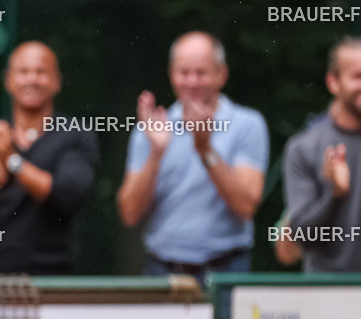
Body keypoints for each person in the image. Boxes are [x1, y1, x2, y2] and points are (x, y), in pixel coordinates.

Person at [117, 31, 268, 284]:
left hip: (227, 271)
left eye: (201, 72)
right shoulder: (151, 129)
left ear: (221, 74)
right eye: (184, 72)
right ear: (171, 74)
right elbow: (129, 213)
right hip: (162, 270)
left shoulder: (247, 124)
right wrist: (156, 153)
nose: (192, 81)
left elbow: (246, 205)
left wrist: (204, 148)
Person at [0, 41, 98, 274]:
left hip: (52, 278)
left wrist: (12, 161)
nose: (32, 79)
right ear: (8, 80)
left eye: (41, 72)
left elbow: (67, 195)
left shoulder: (75, 135)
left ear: (56, 81)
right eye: (24, 72)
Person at [284, 36, 361, 272]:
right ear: (333, 82)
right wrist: (334, 193)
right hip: (327, 293)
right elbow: (302, 237)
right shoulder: (304, 147)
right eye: (357, 76)